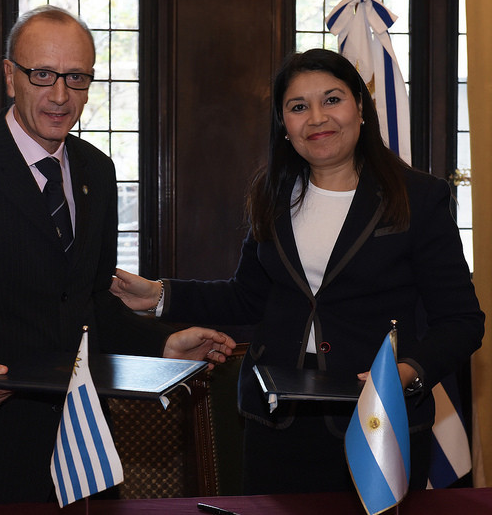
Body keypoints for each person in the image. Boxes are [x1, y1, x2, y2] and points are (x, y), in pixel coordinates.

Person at [0, 5, 234, 506]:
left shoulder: (98, 171)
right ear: (10, 76)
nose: (61, 95)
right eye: (42, 75)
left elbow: (89, 304)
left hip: (82, 450)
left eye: (77, 77)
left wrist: (165, 344)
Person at [111, 48, 484, 495]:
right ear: (284, 125)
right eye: (298, 106)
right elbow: (247, 296)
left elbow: (462, 321)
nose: (317, 118)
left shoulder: (419, 197)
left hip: (375, 416)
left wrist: (407, 372)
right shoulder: (273, 192)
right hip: (276, 418)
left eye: (332, 99)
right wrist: (159, 296)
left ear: (359, 108)